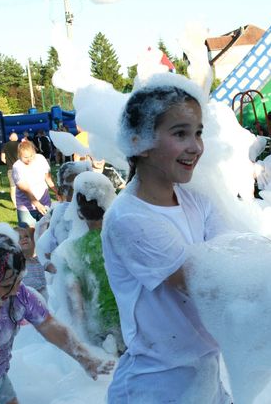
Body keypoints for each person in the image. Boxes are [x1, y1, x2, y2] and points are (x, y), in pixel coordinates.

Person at [102, 74, 232, 403]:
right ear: (139, 143)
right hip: (155, 385)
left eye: (198, 133)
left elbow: (235, 257)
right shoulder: (130, 219)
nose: (196, 147)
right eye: (180, 133)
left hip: (204, 375)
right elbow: (210, 283)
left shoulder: (195, 199)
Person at [0, 223, 114, 403]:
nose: (16, 291)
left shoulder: (16, 294)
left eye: (18, 282)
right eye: (7, 285)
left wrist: (85, 358)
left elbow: (49, 325)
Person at [56, 171, 123, 355]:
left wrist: (82, 338)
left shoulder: (70, 251)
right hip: (127, 319)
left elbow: (76, 304)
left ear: (79, 213)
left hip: (98, 325)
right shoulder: (120, 239)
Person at [12, 141, 59, 228]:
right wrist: (37, 204)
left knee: (46, 233)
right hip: (26, 208)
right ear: (19, 155)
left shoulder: (41, 159)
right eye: (25, 157)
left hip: (45, 204)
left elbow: (48, 178)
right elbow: (25, 189)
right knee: (29, 235)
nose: (29, 159)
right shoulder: (17, 167)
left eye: (31, 156)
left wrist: (57, 192)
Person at [14, 226, 54, 302]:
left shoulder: (39, 260)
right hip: (30, 302)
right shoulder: (17, 265)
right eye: (19, 238)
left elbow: (52, 269)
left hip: (47, 298)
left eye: (26, 236)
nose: (24, 238)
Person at [1, 133, 20, 206]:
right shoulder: (20, 145)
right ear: (17, 138)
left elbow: (2, 159)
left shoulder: (5, 145)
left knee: (13, 187)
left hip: (10, 168)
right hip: (20, 168)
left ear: (10, 138)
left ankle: (15, 205)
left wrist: (8, 163)